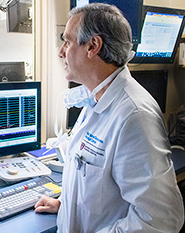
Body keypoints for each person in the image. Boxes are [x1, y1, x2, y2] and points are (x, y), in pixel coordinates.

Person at [34, 3, 184, 232]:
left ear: (93, 46)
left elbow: (160, 220)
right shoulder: (95, 99)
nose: (61, 51)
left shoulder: (135, 116)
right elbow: (96, 181)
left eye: (68, 41)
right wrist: (65, 205)